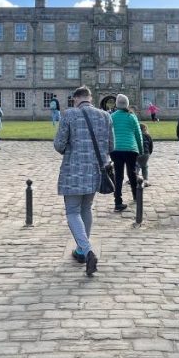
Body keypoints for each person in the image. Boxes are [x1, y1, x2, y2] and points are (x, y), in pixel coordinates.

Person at [54, 85, 113, 276]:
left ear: (75, 99)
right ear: (90, 98)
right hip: (95, 170)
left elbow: (59, 144)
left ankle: (87, 251)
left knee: (72, 210)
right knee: (86, 208)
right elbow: (111, 145)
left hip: (73, 169)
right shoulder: (105, 116)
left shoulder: (69, 114)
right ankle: (81, 251)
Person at [109, 94, 143, 212]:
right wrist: (141, 149)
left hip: (116, 149)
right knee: (132, 173)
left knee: (118, 176)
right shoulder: (131, 116)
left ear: (117, 105)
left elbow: (108, 134)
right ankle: (135, 195)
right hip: (130, 149)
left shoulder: (112, 116)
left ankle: (118, 201)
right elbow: (138, 135)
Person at [138, 122, 154, 186]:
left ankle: (135, 178)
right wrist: (149, 152)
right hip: (146, 153)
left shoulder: (136, 135)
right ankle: (146, 180)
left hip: (137, 153)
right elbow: (151, 145)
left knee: (136, 166)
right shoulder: (148, 136)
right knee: (144, 166)